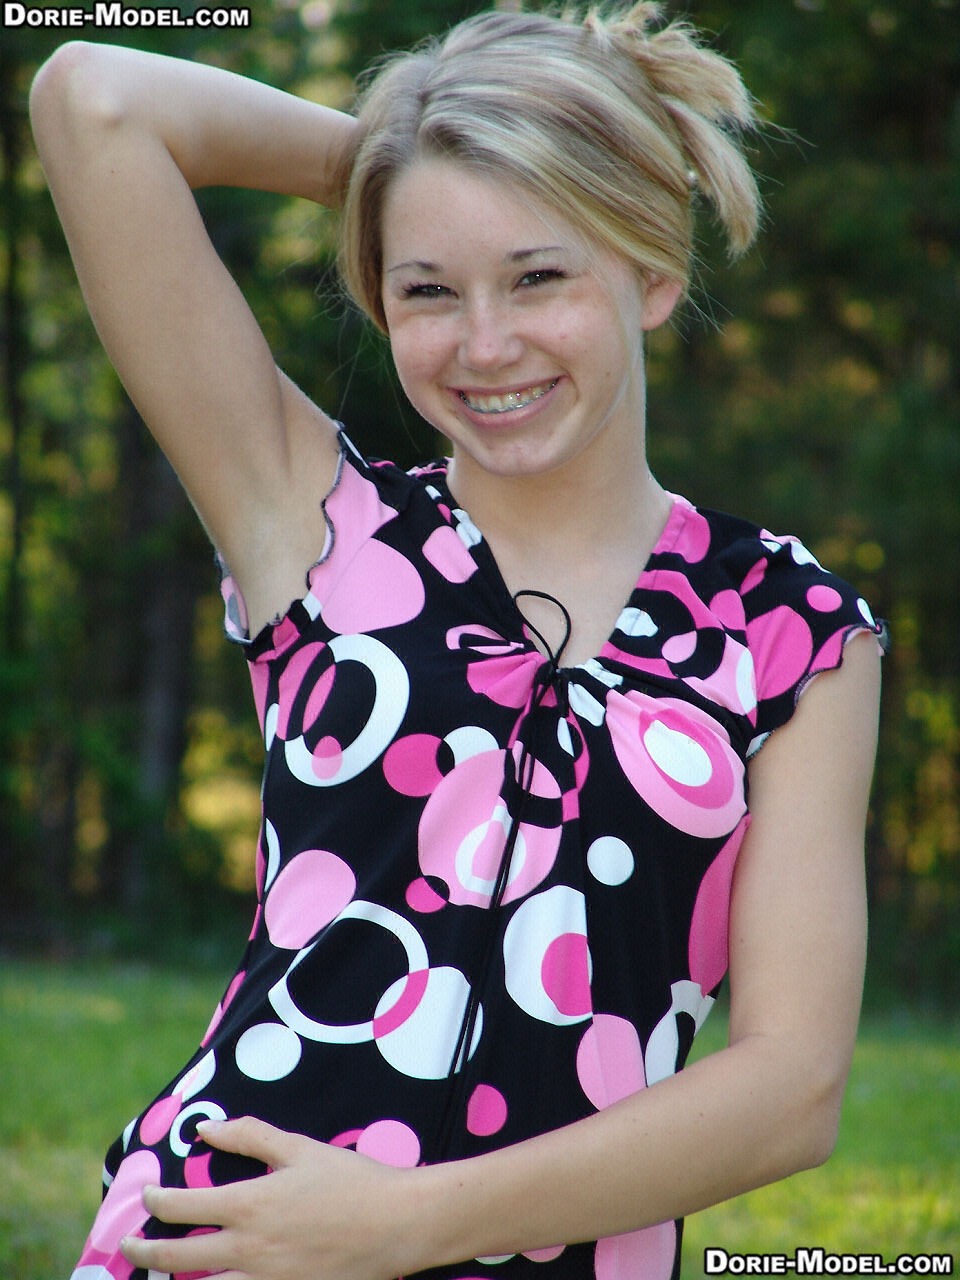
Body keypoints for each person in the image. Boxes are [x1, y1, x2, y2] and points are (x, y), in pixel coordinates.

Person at [30, 4, 886, 1278]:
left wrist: (409, 1224)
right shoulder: (315, 522)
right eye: (428, 288)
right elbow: (91, 96)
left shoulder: (790, 626)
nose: (485, 345)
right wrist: (408, 166)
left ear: (653, 271)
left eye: (539, 275)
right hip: (232, 1236)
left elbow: (793, 1086)